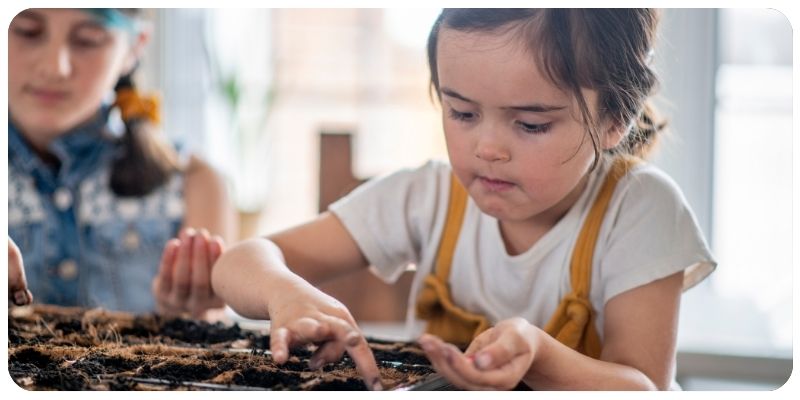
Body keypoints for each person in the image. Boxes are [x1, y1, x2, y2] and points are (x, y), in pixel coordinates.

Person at [211, 8, 716, 390]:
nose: (487, 148)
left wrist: (539, 355)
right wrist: (285, 293)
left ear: (614, 119)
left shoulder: (641, 211)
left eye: (531, 123)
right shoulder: (426, 196)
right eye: (463, 113)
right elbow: (240, 262)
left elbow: (642, 389)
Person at [7, 8, 237, 319]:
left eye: (88, 40)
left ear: (135, 46)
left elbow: (209, 338)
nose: (54, 67)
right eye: (26, 30)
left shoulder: (196, 184)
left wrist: (187, 318)